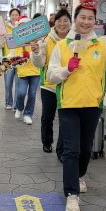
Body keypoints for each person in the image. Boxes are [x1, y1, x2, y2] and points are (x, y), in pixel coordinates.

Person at [47, 0, 106, 211]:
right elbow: (51, 75)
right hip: (68, 105)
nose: (86, 22)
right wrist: (67, 69)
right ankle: (72, 196)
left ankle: (80, 175)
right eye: (82, 17)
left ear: (95, 22)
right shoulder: (63, 46)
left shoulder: (102, 45)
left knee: (86, 149)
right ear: (75, 19)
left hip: (92, 105)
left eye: (90, 18)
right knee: (71, 150)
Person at [30, 9, 72, 157]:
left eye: (65, 21)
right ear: (54, 22)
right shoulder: (46, 40)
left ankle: (61, 148)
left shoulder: (75, 40)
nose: (62, 24)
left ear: (70, 23)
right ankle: (47, 142)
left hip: (68, 85)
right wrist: (35, 52)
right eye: (59, 21)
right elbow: (40, 63)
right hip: (49, 85)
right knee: (47, 116)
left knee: (65, 119)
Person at [12, 16, 40, 125]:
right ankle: (19, 107)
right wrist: (20, 57)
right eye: (20, 27)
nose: (23, 29)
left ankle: (28, 114)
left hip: (35, 71)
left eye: (25, 27)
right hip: (23, 71)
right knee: (21, 93)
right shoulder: (16, 41)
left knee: (32, 94)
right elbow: (12, 57)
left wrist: (34, 52)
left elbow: (40, 53)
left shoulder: (36, 39)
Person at [0, 8, 20, 109]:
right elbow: (0, 43)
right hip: (7, 59)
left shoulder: (22, 28)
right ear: (9, 16)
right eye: (12, 15)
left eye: (16, 15)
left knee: (18, 84)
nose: (14, 17)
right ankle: (8, 103)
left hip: (20, 60)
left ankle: (16, 104)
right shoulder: (4, 27)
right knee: (8, 83)